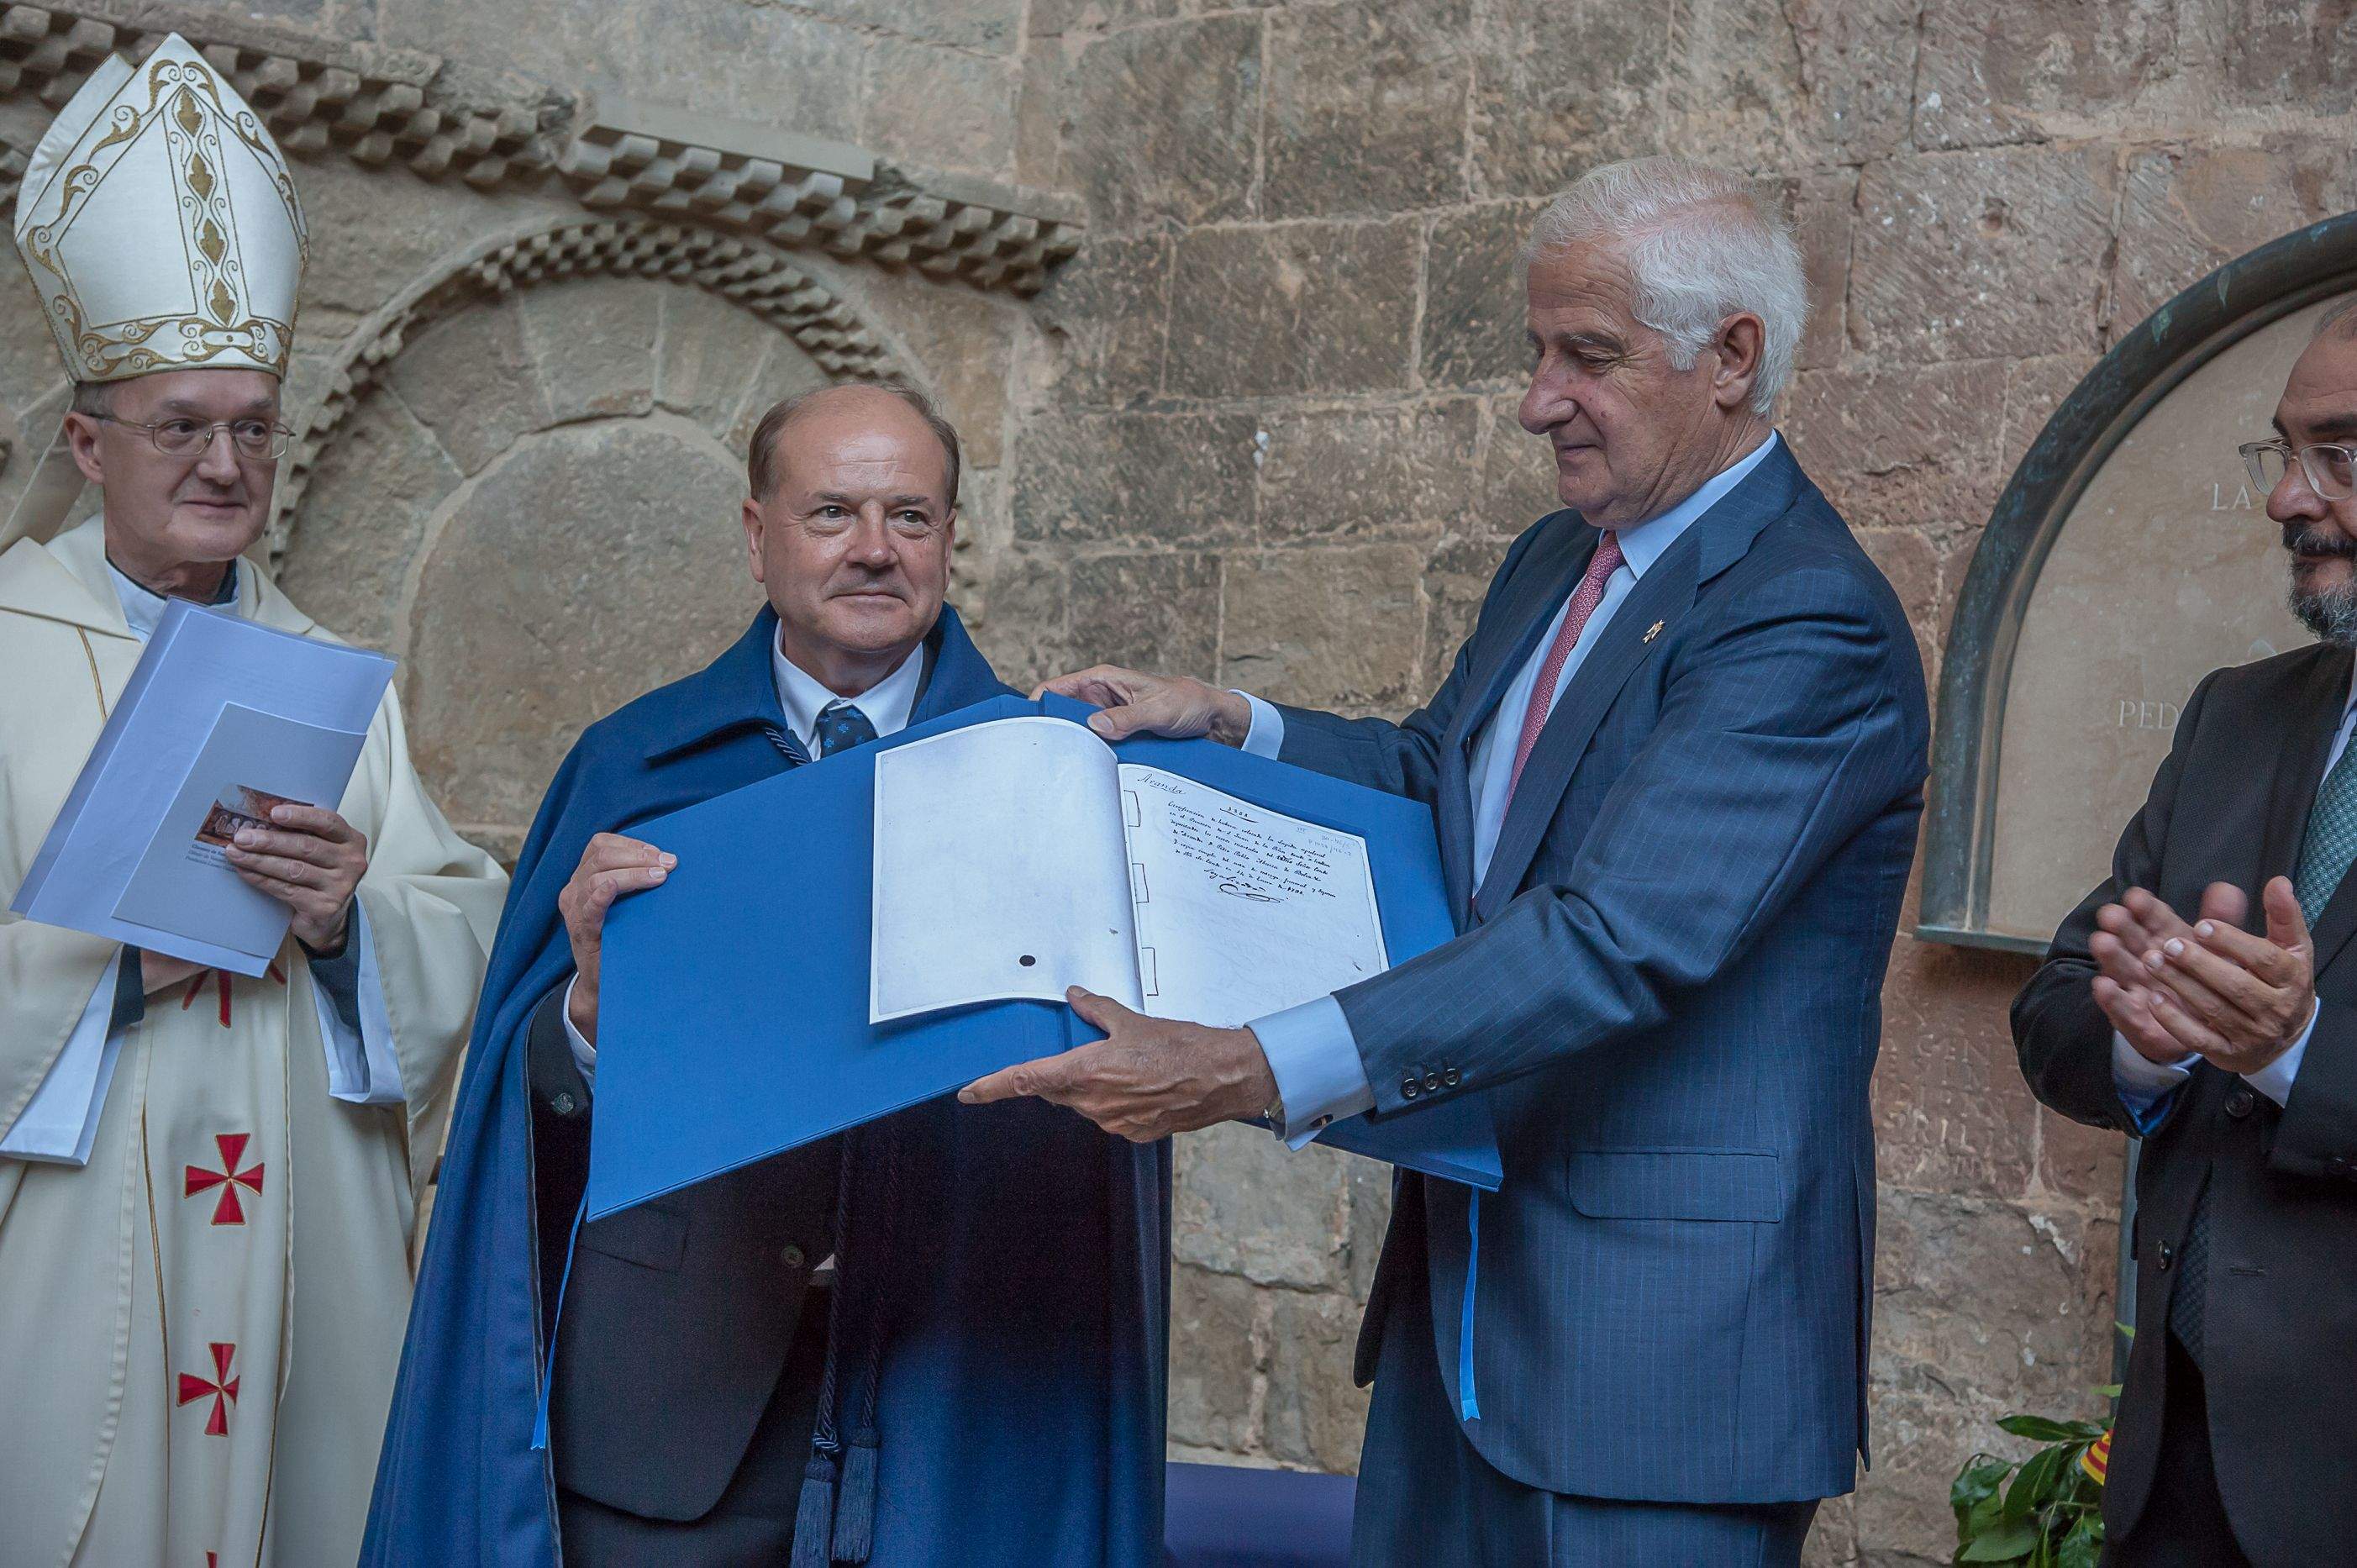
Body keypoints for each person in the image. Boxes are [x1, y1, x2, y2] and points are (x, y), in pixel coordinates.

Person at [970, 156, 1931, 1566]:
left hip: (1658, 1362)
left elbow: (1613, 936)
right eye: (1535, 351)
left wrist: (1245, 1063)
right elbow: (1448, 783)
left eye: (1584, 357)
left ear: (1732, 358)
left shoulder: (1807, 620)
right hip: (1464, 1312)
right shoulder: (1561, 557)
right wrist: (1233, 719)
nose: (1538, 397)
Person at [366, 381, 1171, 1568]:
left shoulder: (1053, 779)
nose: (873, 550)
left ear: (952, 538)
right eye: (832, 511)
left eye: (909, 515)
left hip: (963, 1388)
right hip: (668, 1418)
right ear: (756, 535)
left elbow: (1120, 1110)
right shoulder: (636, 761)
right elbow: (523, 1102)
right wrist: (584, 1020)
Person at [0, 36, 508, 1568]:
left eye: (255, 425)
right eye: (182, 426)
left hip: (303, 1222)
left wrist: (356, 923)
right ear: (90, 445)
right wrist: (105, 989)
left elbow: (457, 915)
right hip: (78, 1225)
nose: (228, 463)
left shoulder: (324, 669)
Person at [2011, 303, 2357, 1568]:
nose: (2287, 499)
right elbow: (2054, 1004)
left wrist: (2291, 1051)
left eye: (2343, 454)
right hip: (2177, 1477)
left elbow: (2292, 1051)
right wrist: (2141, 1044)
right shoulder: (2233, 716)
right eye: (2281, 451)